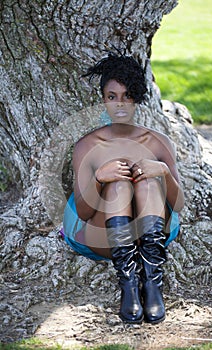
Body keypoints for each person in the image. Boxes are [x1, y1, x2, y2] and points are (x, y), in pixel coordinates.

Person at [61, 52, 185, 324]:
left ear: (138, 98)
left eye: (128, 95)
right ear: (103, 99)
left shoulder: (158, 142)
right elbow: (82, 211)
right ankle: (129, 285)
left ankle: (152, 285)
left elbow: (177, 205)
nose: (119, 103)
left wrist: (163, 172)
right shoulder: (87, 146)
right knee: (118, 184)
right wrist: (99, 178)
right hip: (105, 235)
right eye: (112, 96)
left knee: (149, 181)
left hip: (149, 234)